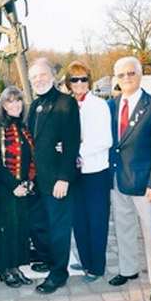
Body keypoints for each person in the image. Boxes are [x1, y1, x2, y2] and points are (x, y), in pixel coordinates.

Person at [108, 56, 151, 301]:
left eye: (131, 73)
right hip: (118, 179)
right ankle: (128, 269)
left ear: (140, 74)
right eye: (121, 75)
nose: (126, 78)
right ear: (116, 78)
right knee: (123, 228)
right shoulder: (112, 105)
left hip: (145, 184)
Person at [27, 58, 81, 294]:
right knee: (39, 223)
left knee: (59, 227)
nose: (38, 80)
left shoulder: (65, 103)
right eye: (34, 77)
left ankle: (59, 273)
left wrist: (64, 178)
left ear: (52, 76)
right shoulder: (34, 105)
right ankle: (50, 259)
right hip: (38, 179)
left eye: (42, 75)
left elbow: (71, 144)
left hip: (57, 179)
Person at [64, 61, 112, 282]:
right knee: (78, 219)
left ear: (89, 81)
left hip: (95, 172)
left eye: (83, 79)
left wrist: (75, 151)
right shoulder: (69, 105)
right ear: (69, 83)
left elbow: (105, 140)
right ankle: (85, 259)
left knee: (97, 220)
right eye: (75, 79)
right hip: (76, 173)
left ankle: (97, 266)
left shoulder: (99, 105)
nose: (80, 83)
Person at [0, 86, 35, 288]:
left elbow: (32, 158)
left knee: (20, 229)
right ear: (3, 105)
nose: (14, 105)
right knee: (5, 229)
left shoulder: (25, 126)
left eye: (18, 101)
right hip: (5, 188)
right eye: (10, 101)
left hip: (24, 188)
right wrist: (13, 185)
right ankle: (4, 269)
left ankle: (16, 267)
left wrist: (29, 182)